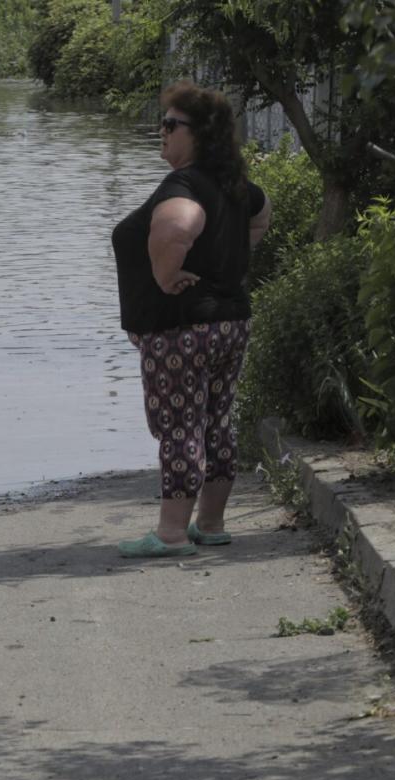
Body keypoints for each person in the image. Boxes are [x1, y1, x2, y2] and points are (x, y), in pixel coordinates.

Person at [111, 81, 271, 558]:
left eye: (170, 125)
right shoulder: (233, 184)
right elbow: (262, 215)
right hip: (229, 323)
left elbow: (178, 224)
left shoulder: (183, 185)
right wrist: (229, 261)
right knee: (217, 421)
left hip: (181, 330)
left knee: (179, 424)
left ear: (198, 133)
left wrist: (164, 275)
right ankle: (212, 523)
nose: (161, 132)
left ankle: (172, 533)